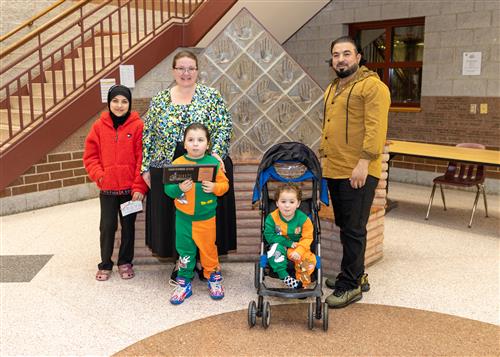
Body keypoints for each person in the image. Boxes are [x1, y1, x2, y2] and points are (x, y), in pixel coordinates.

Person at [141, 50, 235, 280]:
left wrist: (217, 153)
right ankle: (180, 262)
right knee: (175, 216)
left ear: (197, 71)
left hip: (205, 163)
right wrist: (145, 167)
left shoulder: (211, 96)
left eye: (190, 68)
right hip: (167, 164)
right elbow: (149, 134)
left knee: (204, 213)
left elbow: (224, 127)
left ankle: (206, 261)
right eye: (181, 68)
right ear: (173, 71)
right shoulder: (160, 99)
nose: (186, 73)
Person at [320, 36, 390, 308]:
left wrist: (364, 162)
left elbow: (376, 128)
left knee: (354, 228)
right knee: (346, 225)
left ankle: (350, 286)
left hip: (357, 169)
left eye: (346, 53)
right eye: (336, 54)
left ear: (359, 57)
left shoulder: (373, 87)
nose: (341, 59)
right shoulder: (334, 87)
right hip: (335, 168)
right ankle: (355, 275)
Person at [83, 85, 148, 281]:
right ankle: (105, 263)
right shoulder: (98, 126)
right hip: (108, 189)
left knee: (128, 227)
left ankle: (125, 262)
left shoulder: (137, 126)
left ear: (130, 103)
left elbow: (142, 158)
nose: (119, 105)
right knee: (107, 226)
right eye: (115, 101)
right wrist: (100, 176)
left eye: (124, 101)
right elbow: (90, 156)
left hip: (130, 190)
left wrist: (139, 187)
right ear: (109, 103)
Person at [164, 123, 229, 304]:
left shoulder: (213, 163)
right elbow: (168, 190)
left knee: (208, 249)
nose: (195, 144)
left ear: (207, 144)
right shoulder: (177, 164)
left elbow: (225, 186)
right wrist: (178, 188)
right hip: (183, 219)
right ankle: (184, 282)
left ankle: (213, 278)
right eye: (190, 140)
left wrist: (215, 187)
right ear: (184, 144)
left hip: (206, 218)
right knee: (185, 250)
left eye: (200, 140)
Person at [264, 183, 316, 289]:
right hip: (280, 244)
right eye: (283, 202)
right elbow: (269, 236)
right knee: (274, 250)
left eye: (292, 202)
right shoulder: (272, 218)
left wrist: (299, 250)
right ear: (277, 203)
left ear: (298, 203)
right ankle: (286, 278)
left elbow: (307, 238)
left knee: (307, 259)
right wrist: (288, 243)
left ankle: (302, 285)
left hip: (298, 246)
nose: (287, 205)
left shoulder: (304, 219)